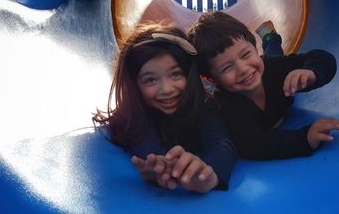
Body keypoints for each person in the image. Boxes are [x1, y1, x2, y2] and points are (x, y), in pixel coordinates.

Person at [93, 22, 236, 193]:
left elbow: (222, 143)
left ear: (189, 74)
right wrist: (161, 166)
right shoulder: (133, 116)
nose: (166, 89)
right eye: (150, 80)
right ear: (134, 86)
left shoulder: (204, 106)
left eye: (175, 74)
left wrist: (209, 174)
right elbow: (143, 141)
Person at [187, 11, 339, 160]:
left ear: (253, 47)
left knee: (273, 55)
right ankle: (267, 42)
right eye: (227, 67)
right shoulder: (226, 107)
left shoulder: (274, 68)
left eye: (246, 54)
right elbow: (255, 145)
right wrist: (304, 138)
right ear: (213, 80)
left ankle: (270, 37)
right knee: (266, 62)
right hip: (262, 68)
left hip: (268, 64)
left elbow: (322, 58)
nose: (243, 69)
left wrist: (311, 73)